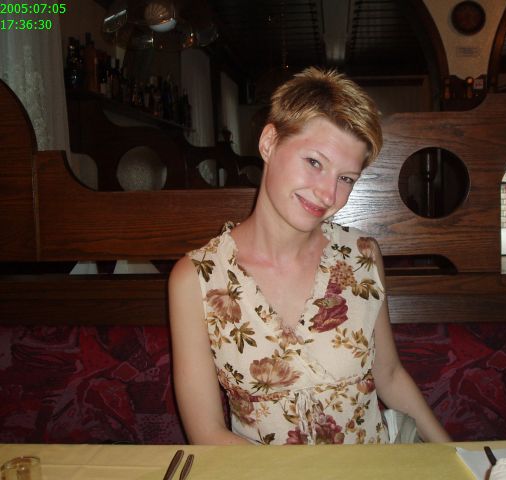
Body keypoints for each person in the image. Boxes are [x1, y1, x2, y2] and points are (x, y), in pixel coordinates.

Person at [168, 67, 450, 445]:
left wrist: (455, 456)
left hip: (372, 466)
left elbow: (390, 375)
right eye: (315, 162)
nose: (328, 194)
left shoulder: (362, 258)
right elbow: (206, 434)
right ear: (269, 143)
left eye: (346, 178)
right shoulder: (197, 278)